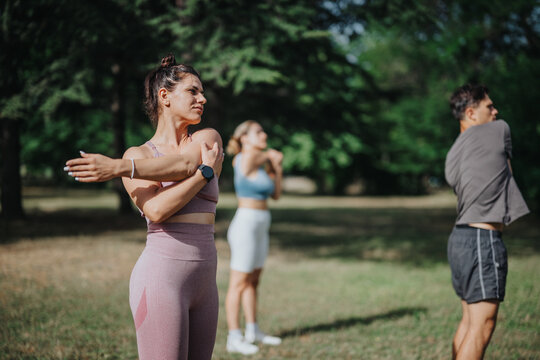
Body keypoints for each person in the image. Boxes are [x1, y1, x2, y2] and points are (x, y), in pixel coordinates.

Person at [64, 54, 224, 360]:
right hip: (161, 278)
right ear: (165, 96)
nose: (202, 98)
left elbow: (184, 163)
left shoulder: (206, 138)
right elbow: (157, 211)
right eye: (193, 90)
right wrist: (204, 174)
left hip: (206, 284)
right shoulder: (138, 153)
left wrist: (120, 168)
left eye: (202, 92)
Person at [445, 84, 529, 360]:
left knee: (470, 321)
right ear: (471, 113)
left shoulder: (453, 154)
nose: (496, 111)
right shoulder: (498, 130)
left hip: (460, 239)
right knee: (482, 326)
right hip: (483, 241)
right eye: (489, 106)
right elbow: (508, 171)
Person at [224, 120, 283, 355]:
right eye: (258, 131)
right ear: (244, 138)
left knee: (254, 280)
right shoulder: (242, 159)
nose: (264, 133)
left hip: (262, 222)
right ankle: (233, 337)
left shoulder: (262, 163)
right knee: (238, 282)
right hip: (245, 223)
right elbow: (253, 159)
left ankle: (252, 330)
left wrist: (277, 168)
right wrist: (271, 156)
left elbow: (276, 194)